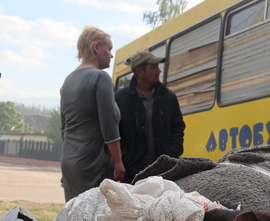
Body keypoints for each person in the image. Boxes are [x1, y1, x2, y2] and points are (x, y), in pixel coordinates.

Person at [60, 26, 124, 202]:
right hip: (93, 163)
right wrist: (118, 161)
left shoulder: (68, 80)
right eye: (109, 49)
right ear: (96, 47)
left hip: (70, 163)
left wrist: (65, 166)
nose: (111, 54)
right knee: (94, 219)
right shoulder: (100, 78)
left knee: (74, 218)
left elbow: (64, 128)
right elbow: (109, 124)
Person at [115, 51, 185, 183]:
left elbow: (178, 128)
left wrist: (172, 154)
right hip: (133, 176)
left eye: (158, 67)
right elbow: (114, 134)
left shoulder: (168, 97)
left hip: (165, 174)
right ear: (139, 71)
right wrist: (126, 159)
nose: (159, 71)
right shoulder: (120, 99)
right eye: (153, 67)